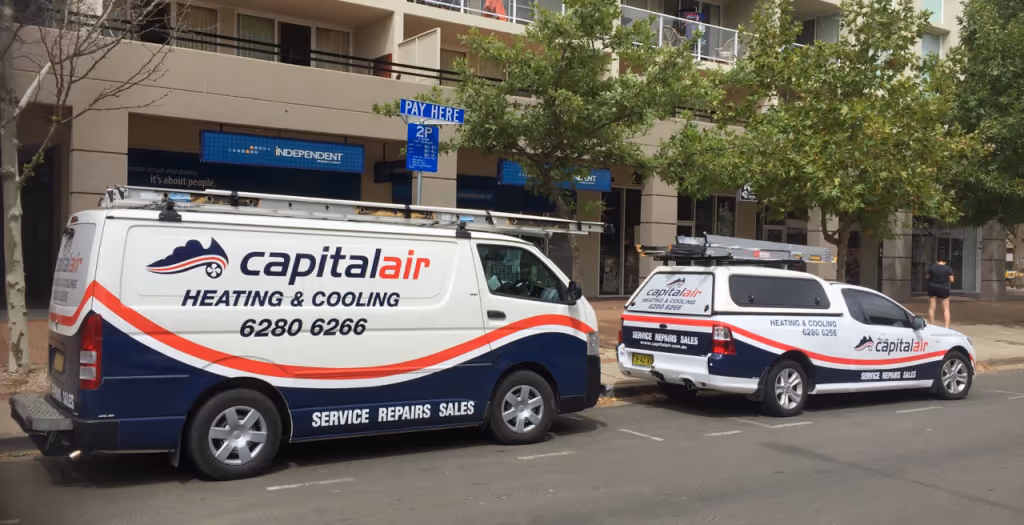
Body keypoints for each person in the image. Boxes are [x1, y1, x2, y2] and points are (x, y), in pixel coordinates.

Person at [926, 256, 955, 328]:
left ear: (937, 261)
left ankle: (931, 325)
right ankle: (946, 327)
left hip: (932, 287)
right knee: (946, 309)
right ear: (945, 262)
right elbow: (952, 280)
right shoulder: (948, 268)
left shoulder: (932, 267)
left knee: (932, 307)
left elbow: (927, 277)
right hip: (944, 288)